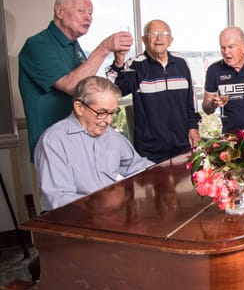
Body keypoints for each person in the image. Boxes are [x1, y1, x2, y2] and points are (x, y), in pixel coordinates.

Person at [19, 0, 133, 161]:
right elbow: (72, 86)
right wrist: (104, 48)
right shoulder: (37, 45)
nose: (88, 17)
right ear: (59, 11)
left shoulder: (75, 48)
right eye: (81, 11)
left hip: (81, 143)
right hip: (54, 148)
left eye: (91, 13)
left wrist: (117, 62)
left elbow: (91, 90)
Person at [34, 76, 154, 212]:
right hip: (70, 218)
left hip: (109, 213)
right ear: (79, 107)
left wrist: (168, 172)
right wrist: (104, 203)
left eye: (112, 113)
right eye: (102, 113)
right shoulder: (53, 140)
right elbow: (59, 198)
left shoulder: (111, 136)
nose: (108, 120)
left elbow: (138, 165)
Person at [106, 19, 201, 163]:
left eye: (164, 34)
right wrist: (119, 61)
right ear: (144, 39)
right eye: (154, 34)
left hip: (183, 144)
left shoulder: (181, 62)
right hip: (150, 150)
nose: (159, 38)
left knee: (186, 185)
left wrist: (193, 127)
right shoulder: (136, 64)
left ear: (171, 40)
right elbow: (115, 90)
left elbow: (191, 100)